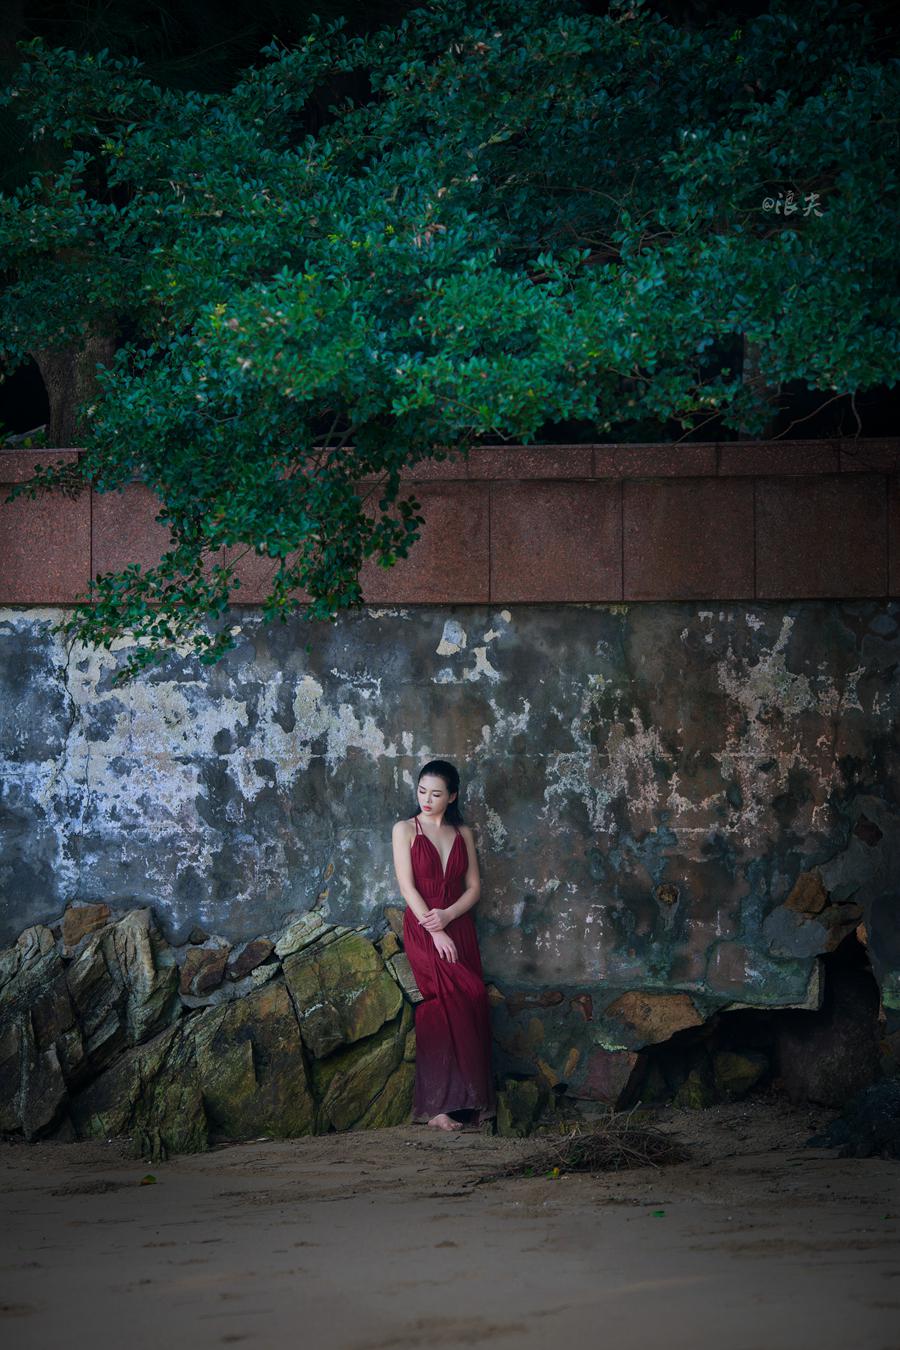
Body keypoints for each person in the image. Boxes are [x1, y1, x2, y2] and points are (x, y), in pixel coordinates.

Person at [391, 759, 497, 1132]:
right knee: (446, 999)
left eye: (436, 794)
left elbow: (474, 888)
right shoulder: (405, 829)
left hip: (459, 925)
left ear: (452, 796)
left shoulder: (462, 832)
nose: (427, 799)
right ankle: (437, 1107)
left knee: (472, 998)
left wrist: (449, 916)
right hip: (424, 927)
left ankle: (468, 1103)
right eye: (422, 791)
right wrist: (435, 929)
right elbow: (407, 888)